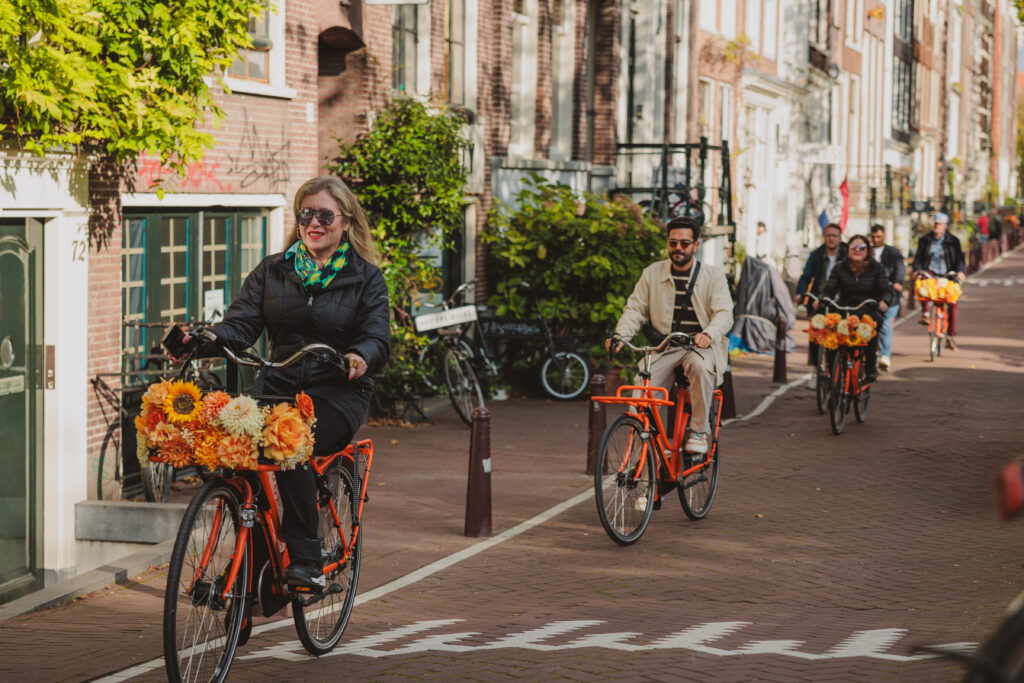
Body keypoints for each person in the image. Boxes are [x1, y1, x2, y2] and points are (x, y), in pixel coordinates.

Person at [177, 176, 391, 588]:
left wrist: (359, 357)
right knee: (236, 448)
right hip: (277, 385)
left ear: (345, 221)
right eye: (306, 213)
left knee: (286, 442)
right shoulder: (273, 271)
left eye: (324, 214)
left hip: (336, 393)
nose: (314, 222)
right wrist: (202, 341)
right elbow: (240, 325)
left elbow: (376, 336)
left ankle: (306, 558)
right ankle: (248, 574)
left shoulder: (366, 279)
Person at [606, 215, 734, 455]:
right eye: (673, 243)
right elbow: (635, 309)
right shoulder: (652, 273)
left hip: (699, 346)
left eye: (684, 243)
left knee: (700, 367)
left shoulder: (713, 276)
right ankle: (644, 455)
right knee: (641, 391)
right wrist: (620, 336)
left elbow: (724, 313)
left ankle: (698, 430)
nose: (678, 248)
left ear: (696, 245)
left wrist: (709, 333)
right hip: (664, 347)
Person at [815, 234, 891, 382]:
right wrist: (823, 299)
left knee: (871, 329)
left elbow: (885, 289)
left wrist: (884, 301)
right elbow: (830, 288)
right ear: (848, 250)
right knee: (832, 331)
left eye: (862, 247)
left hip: (867, 308)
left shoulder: (876, 268)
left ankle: (869, 368)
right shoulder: (839, 267)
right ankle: (831, 371)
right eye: (853, 247)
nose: (858, 250)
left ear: (868, 250)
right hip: (844, 307)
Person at [912, 212, 965, 350]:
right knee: (922, 283)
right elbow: (918, 258)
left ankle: (950, 336)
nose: (937, 226)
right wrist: (916, 270)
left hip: (948, 273)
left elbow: (960, 259)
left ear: (945, 226)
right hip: (931, 272)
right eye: (935, 224)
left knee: (953, 301)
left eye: (940, 224)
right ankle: (925, 313)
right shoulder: (925, 240)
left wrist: (960, 272)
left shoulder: (953, 241)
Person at [795, 222, 847, 365]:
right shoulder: (816, 255)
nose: (831, 239)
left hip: (840, 300)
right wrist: (800, 293)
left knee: (840, 335)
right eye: (828, 236)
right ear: (824, 237)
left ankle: (836, 366)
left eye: (834, 236)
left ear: (840, 238)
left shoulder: (847, 254)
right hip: (819, 300)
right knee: (816, 335)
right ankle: (815, 368)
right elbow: (806, 276)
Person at [869, 224, 905, 371]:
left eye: (878, 236)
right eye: (873, 237)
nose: (876, 239)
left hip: (891, 297)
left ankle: (884, 355)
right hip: (872, 295)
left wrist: (898, 282)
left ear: (884, 236)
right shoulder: (866, 252)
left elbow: (900, 269)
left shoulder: (893, 252)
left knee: (885, 325)